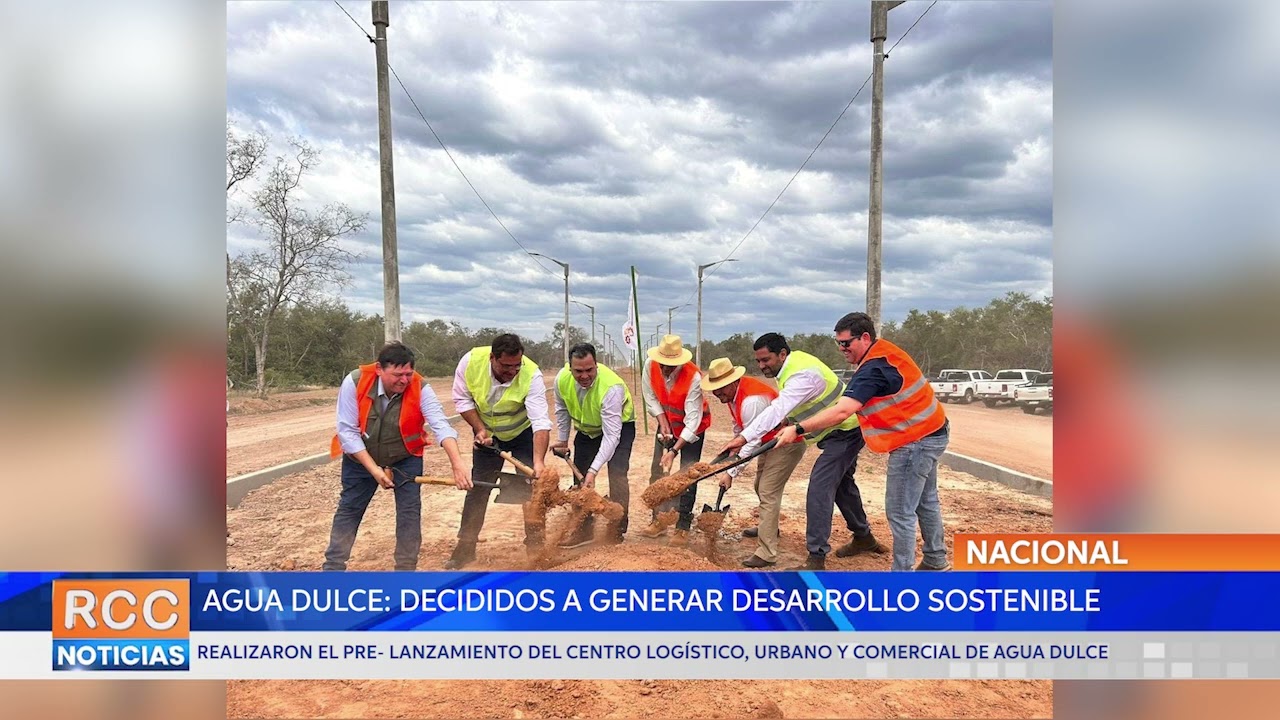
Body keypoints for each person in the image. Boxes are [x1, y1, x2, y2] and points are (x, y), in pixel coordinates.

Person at [772, 313, 950, 572]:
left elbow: (842, 411)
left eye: (846, 343)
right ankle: (936, 561)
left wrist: (797, 429)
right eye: (838, 344)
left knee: (900, 512)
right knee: (926, 502)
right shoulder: (886, 353)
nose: (842, 349)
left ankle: (903, 579)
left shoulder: (873, 369)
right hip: (933, 430)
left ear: (865, 337)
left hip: (914, 442)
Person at [719, 333, 884, 570]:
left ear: (782, 354)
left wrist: (743, 438)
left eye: (766, 360)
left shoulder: (802, 374)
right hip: (830, 432)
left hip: (845, 430)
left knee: (819, 487)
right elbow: (794, 407)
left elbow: (777, 409)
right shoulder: (788, 369)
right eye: (758, 361)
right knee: (843, 487)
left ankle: (816, 558)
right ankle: (864, 537)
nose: (761, 366)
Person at [325, 341, 469, 572]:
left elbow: (440, 425)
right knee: (350, 508)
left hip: (405, 457)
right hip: (361, 459)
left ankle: (405, 570)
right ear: (379, 369)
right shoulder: (354, 381)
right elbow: (347, 431)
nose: (404, 380)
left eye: (408, 374)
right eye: (397, 375)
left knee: (409, 512)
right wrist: (374, 470)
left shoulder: (421, 387)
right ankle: (333, 569)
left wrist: (457, 464)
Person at [444, 333, 552, 570]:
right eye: (506, 366)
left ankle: (536, 546)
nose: (513, 372)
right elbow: (462, 401)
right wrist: (480, 430)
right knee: (477, 489)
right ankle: (465, 548)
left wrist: (538, 462)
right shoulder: (470, 363)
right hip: (488, 439)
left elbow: (541, 421)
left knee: (531, 490)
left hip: (523, 434)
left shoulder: (531, 374)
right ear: (493, 358)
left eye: (517, 366)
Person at [701, 357, 807, 568]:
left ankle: (767, 552)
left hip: (786, 442)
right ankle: (769, 526)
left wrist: (730, 472)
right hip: (768, 442)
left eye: (720, 390)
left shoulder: (752, 400)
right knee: (760, 486)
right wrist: (733, 447)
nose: (717, 395)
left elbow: (751, 443)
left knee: (768, 491)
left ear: (732, 382)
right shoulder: (734, 396)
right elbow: (740, 430)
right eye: (714, 390)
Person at [553, 343, 637, 547]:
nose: (584, 375)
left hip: (619, 429)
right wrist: (563, 439)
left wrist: (593, 471)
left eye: (589, 370)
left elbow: (611, 436)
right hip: (587, 429)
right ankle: (584, 530)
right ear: (569, 367)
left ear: (596, 365)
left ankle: (617, 530)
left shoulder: (611, 388)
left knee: (617, 473)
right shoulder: (561, 380)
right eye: (578, 371)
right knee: (579, 478)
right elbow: (562, 408)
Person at [639, 334, 712, 546]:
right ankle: (659, 520)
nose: (664, 369)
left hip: (692, 429)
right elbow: (650, 396)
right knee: (658, 471)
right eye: (662, 364)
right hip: (667, 424)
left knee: (687, 475)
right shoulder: (650, 365)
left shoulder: (694, 378)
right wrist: (662, 421)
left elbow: (693, 421)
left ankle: (682, 526)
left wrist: (674, 451)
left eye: (669, 366)